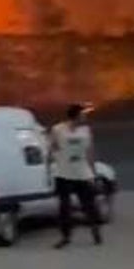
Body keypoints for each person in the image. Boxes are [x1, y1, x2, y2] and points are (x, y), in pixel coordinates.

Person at [49, 103, 103, 249]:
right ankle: (65, 236)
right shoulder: (58, 129)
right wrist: (54, 161)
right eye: (82, 115)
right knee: (64, 206)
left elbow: (90, 152)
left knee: (88, 204)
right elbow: (52, 147)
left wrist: (93, 173)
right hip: (64, 172)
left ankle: (95, 230)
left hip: (82, 172)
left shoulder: (85, 131)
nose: (84, 117)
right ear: (76, 115)